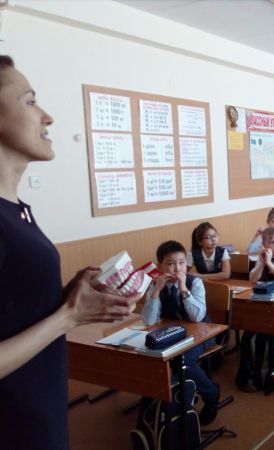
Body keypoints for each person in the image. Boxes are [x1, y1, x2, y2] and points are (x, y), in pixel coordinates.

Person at [0, 55, 140, 449]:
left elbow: (12, 312)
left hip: (39, 411)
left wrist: (71, 297)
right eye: (30, 101)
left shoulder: (18, 211)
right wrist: (69, 315)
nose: (47, 117)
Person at [141, 240, 220, 425]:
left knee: (182, 361)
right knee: (150, 356)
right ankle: (170, 399)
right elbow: (149, 321)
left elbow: (197, 317)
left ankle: (211, 393)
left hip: (201, 333)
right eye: (170, 263)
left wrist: (184, 289)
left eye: (182, 263)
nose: (177, 268)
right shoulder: (156, 285)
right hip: (173, 333)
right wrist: (156, 290)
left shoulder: (194, 282)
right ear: (160, 266)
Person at [236, 227, 274, 394]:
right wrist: (262, 263)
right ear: (264, 244)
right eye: (272, 242)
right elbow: (252, 279)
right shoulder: (262, 257)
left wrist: (269, 263)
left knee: (270, 331)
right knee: (250, 333)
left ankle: (270, 373)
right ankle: (251, 374)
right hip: (265, 301)